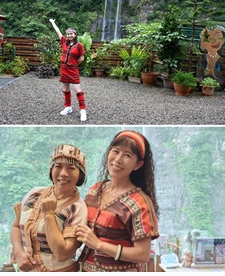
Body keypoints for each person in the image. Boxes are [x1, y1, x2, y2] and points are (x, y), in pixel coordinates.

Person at [74, 130, 159, 272]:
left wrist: (99, 245)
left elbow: (142, 255)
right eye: (116, 151)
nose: (118, 159)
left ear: (137, 165)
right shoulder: (95, 189)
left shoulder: (140, 203)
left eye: (127, 155)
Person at [11, 144, 89, 272]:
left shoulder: (78, 208)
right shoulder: (34, 194)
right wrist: (19, 253)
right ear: (51, 170)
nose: (63, 173)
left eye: (71, 168)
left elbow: (62, 254)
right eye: (58, 166)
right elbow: (15, 227)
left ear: (80, 175)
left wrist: (48, 215)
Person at [49, 19, 87, 122]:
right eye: (68, 34)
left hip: (73, 69)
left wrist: (73, 64)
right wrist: (52, 22)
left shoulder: (79, 45)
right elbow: (58, 32)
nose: (70, 35)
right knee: (66, 90)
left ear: (75, 34)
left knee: (78, 90)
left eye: (71, 34)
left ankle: (83, 110)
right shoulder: (64, 42)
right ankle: (68, 107)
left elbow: (81, 58)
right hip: (64, 69)